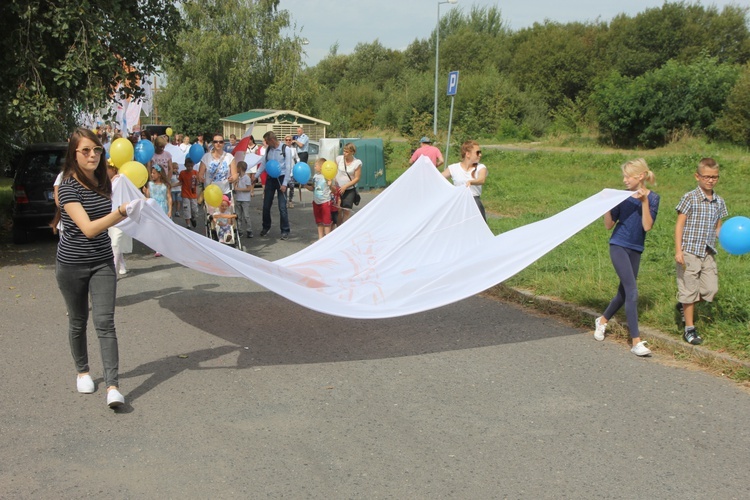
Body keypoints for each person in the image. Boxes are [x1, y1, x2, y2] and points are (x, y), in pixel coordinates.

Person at [55, 127, 130, 408]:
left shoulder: (103, 182)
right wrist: (119, 212)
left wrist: (138, 213)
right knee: (78, 320)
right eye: (85, 150)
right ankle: (83, 371)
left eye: (97, 150)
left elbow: (109, 223)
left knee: (105, 322)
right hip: (71, 265)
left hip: (101, 263)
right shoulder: (67, 187)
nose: (92, 155)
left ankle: (113, 386)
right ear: (74, 154)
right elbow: (87, 228)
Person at [593, 159, 660, 356]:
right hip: (618, 245)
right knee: (632, 291)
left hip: (636, 248)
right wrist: (605, 206)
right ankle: (636, 342)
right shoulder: (621, 197)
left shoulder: (654, 198)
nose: (624, 180)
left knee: (623, 293)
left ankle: (602, 320)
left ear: (640, 177)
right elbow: (608, 225)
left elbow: (647, 226)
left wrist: (644, 202)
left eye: (627, 176)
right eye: (623, 176)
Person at [675, 158, 728, 345]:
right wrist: (678, 250)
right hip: (689, 250)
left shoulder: (719, 201)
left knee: (710, 289)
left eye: (714, 177)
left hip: (708, 251)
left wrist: (730, 239)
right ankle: (689, 329)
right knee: (689, 290)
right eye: (706, 176)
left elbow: (718, 227)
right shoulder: (689, 198)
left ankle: (683, 305)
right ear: (697, 176)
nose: (710, 180)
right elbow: (679, 226)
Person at [254, 131, 292, 239]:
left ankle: (285, 230)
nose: (265, 143)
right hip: (271, 178)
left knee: (282, 207)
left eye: (266, 141)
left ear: (272, 140)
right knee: (266, 205)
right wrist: (256, 176)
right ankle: (266, 227)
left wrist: (285, 184)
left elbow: (289, 167)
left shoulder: (286, 149)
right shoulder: (268, 149)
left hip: (281, 177)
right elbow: (264, 164)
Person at [442, 140, 488, 221]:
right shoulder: (453, 168)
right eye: (477, 152)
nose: (480, 155)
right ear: (468, 154)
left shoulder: (481, 167)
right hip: (458, 202)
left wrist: (471, 182)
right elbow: (439, 178)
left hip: (474, 202)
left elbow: (481, 179)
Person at [107, 162, 132, 276]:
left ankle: (114, 269)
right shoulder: (106, 181)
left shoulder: (121, 179)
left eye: (108, 169)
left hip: (121, 216)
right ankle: (122, 264)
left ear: (113, 169)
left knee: (115, 242)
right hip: (110, 215)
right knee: (115, 242)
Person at [144, 164, 172, 257]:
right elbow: (147, 197)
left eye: (154, 173)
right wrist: (145, 192)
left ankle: (164, 246)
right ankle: (158, 248)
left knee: (163, 228)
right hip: (153, 208)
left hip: (163, 208)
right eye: (151, 173)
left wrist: (170, 210)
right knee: (155, 228)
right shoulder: (150, 184)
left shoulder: (165, 185)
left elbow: (169, 197)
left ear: (159, 174)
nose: (152, 175)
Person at [198, 133, 238, 197]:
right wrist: (200, 178)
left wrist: (232, 178)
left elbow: (235, 174)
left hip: (225, 192)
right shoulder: (206, 157)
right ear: (213, 143)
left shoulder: (229, 157)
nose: (218, 143)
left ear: (223, 143)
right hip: (210, 192)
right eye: (215, 142)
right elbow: (200, 174)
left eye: (221, 142)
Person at [304, 158, 333, 239]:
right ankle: (320, 238)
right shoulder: (315, 176)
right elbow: (313, 188)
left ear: (321, 167)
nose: (314, 167)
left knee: (326, 222)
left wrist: (330, 184)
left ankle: (327, 238)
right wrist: (306, 186)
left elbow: (332, 189)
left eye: (316, 165)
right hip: (316, 202)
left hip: (325, 202)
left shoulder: (327, 176)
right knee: (319, 221)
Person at [335, 142, 362, 225]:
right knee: (338, 210)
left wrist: (345, 186)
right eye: (344, 151)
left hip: (349, 189)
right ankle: (338, 228)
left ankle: (344, 229)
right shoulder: (339, 159)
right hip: (338, 188)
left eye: (346, 152)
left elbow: (357, 178)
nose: (344, 153)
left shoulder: (357, 163)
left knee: (346, 210)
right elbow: (334, 171)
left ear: (352, 152)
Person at [234, 161, 254, 238]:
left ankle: (249, 230)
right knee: (238, 216)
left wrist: (239, 189)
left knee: (246, 216)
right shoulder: (238, 178)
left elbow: (249, 188)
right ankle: (239, 230)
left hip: (245, 199)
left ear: (240, 168)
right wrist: (235, 183)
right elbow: (235, 187)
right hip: (238, 198)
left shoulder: (247, 178)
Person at [179, 158, 199, 229]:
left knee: (194, 209)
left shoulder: (196, 173)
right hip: (185, 194)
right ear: (185, 165)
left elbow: (198, 182)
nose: (190, 168)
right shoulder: (182, 173)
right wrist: (172, 185)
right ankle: (188, 225)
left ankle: (193, 217)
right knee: (186, 209)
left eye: (191, 166)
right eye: (188, 166)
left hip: (193, 194)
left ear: (193, 165)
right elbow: (180, 182)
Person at [283, 134, 300, 208]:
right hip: (284, 170)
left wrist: (298, 165)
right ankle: (284, 201)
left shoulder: (294, 149)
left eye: (289, 140)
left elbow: (297, 158)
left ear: (291, 141)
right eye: (286, 140)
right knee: (285, 186)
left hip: (292, 169)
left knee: (292, 186)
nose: (288, 141)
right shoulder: (283, 149)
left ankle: (290, 201)